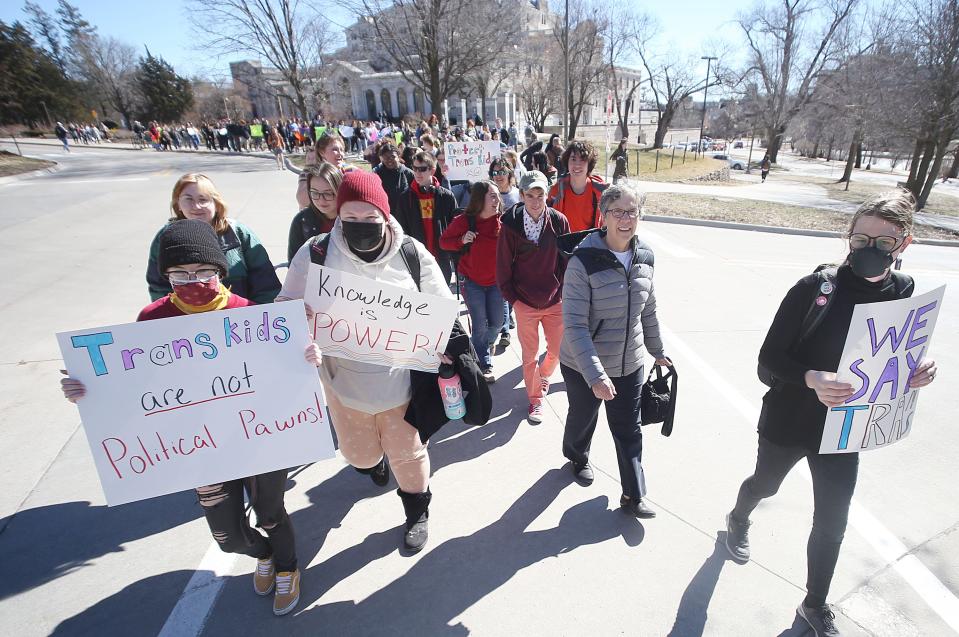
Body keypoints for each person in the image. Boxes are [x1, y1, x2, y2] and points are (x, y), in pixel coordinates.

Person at [62, 219, 316, 616]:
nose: (193, 281)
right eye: (180, 273)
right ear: (166, 276)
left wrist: (306, 358)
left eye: (204, 272)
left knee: (270, 512)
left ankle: (287, 566)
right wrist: (88, 389)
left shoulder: (248, 313)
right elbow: (132, 384)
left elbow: (284, 372)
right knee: (228, 537)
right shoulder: (152, 319)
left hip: (260, 435)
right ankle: (262, 553)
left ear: (221, 271)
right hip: (201, 447)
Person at [724, 189, 938, 637]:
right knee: (766, 484)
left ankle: (814, 604)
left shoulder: (904, 291)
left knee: (832, 520)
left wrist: (913, 372)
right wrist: (810, 379)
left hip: (846, 429)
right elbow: (768, 362)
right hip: (790, 420)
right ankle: (739, 518)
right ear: (848, 239)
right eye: (861, 240)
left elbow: (888, 358)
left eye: (884, 241)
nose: (870, 250)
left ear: (905, 242)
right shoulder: (815, 290)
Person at [276, 171, 456, 552]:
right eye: (350, 219)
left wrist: (441, 342)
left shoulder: (411, 254)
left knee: (409, 456)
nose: (360, 227)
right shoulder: (316, 253)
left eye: (369, 220)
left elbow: (442, 310)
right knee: (359, 456)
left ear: (385, 216)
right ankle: (373, 462)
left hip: (402, 383)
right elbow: (283, 312)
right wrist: (301, 327)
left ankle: (417, 510)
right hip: (343, 383)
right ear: (339, 216)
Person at [559, 184, 668, 518]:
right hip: (582, 364)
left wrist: (657, 350)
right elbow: (575, 325)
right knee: (583, 417)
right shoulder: (583, 261)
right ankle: (577, 455)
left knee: (628, 427)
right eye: (618, 211)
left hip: (630, 361)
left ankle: (633, 494)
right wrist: (595, 375)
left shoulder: (646, 256)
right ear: (603, 216)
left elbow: (647, 309)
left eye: (632, 211)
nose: (626, 218)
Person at [496, 170, 571, 424]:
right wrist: (513, 300)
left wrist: (563, 293)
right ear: (521, 195)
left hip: (554, 301)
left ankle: (544, 376)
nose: (536, 201)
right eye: (530, 195)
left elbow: (566, 262)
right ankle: (535, 399)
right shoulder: (510, 224)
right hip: (524, 302)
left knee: (557, 350)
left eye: (540, 195)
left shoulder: (559, 221)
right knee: (529, 355)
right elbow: (503, 266)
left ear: (547, 195)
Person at [147, 173, 281, 304]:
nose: (196, 206)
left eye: (203, 199)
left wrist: (261, 316)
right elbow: (158, 287)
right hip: (187, 322)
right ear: (178, 204)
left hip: (240, 320)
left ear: (216, 203)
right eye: (188, 199)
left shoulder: (238, 233)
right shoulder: (165, 238)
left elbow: (265, 283)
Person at [440, 181, 504, 382]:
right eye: (492, 196)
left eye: (498, 196)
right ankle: (484, 365)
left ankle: (484, 345)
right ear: (480, 199)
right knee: (479, 326)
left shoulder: (503, 221)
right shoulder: (464, 221)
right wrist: (461, 240)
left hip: (497, 283)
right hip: (472, 282)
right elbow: (443, 242)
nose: (497, 200)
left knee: (497, 324)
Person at [395, 151, 458, 286]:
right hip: (416, 258)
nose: (417, 173)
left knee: (442, 295)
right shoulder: (405, 198)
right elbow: (401, 229)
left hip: (441, 257)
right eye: (415, 168)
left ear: (432, 170)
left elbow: (455, 226)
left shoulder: (447, 196)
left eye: (422, 169)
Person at [548, 140, 609, 233]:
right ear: (567, 161)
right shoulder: (556, 190)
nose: (577, 165)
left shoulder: (601, 192)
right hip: (564, 244)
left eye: (583, 159)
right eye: (573, 159)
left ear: (589, 164)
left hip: (590, 244)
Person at [287, 162, 343, 261]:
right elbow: (294, 263)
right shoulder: (302, 221)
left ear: (340, 190)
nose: (321, 200)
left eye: (328, 193)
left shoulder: (353, 218)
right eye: (315, 193)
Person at [373, 142, 415, 216]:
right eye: (386, 157)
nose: (389, 160)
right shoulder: (377, 175)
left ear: (398, 156)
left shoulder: (409, 174)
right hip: (385, 214)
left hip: (405, 214)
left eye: (392, 157)